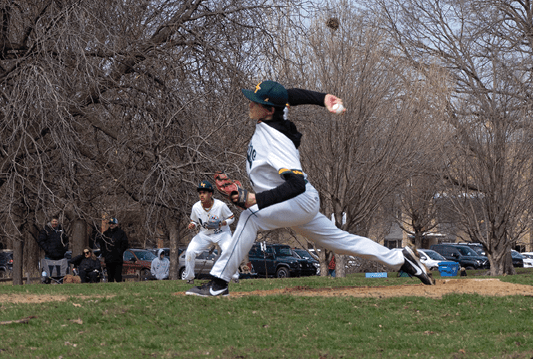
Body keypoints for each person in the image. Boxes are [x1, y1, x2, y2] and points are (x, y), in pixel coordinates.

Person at [185, 80, 431, 297]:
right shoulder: (275, 114)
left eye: (256, 102)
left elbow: (295, 184)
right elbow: (289, 95)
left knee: (250, 218)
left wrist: (254, 199)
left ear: (269, 110)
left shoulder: (275, 139)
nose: (250, 103)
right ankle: (401, 259)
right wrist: (323, 99)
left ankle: (218, 283)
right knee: (341, 242)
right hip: (297, 203)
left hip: (297, 200)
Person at [182, 179, 238, 284]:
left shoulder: (220, 205)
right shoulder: (196, 207)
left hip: (222, 233)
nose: (201, 195)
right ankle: (189, 278)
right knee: (190, 252)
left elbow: (232, 217)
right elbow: (194, 220)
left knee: (229, 250)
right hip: (205, 234)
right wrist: (192, 225)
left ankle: (234, 277)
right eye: (200, 193)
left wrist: (223, 223)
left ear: (211, 193)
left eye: (204, 192)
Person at [94, 218, 129, 283]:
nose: (111, 225)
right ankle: (110, 289)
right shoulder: (105, 233)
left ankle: (119, 289)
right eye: (110, 224)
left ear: (116, 224)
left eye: (113, 224)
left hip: (118, 259)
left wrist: (119, 251)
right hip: (108, 259)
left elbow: (125, 244)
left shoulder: (121, 233)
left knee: (118, 276)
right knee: (110, 276)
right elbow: (102, 245)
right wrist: (104, 253)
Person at [36, 217, 70, 282]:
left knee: (60, 273)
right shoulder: (45, 230)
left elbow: (66, 241)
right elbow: (41, 241)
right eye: (53, 221)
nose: (55, 223)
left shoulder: (62, 230)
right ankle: (47, 283)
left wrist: (64, 249)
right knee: (48, 272)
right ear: (50, 222)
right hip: (49, 256)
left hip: (60, 256)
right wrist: (48, 249)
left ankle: (59, 283)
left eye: (56, 221)